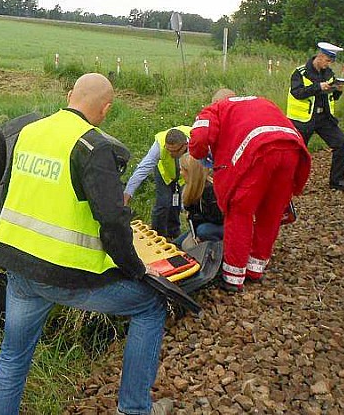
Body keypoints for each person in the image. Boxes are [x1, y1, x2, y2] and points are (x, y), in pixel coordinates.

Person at [0, 73, 169, 415]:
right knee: (150, 305)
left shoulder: (29, 132)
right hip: (64, 273)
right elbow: (113, 221)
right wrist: (137, 270)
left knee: (12, 356)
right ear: (106, 109)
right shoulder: (92, 146)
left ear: (70, 94)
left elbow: (12, 190)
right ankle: (134, 408)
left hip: (18, 264)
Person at [189, 89, 311, 292]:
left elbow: (200, 138)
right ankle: (255, 268)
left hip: (257, 154)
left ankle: (233, 277)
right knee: (270, 213)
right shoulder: (262, 101)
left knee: (239, 212)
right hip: (292, 150)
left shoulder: (217, 108)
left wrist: (200, 154)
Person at [286, 42, 344, 191]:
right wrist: (318, 87)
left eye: (331, 61)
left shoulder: (328, 73)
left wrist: (338, 89)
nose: (329, 64)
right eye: (328, 60)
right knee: (297, 152)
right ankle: (290, 183)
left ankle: (337, 181)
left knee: (342, 144)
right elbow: (297, 93)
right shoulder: (300, 73)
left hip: (324, 118)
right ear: (320, 56)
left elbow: (333, 97)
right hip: (303, 119)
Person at [123, 126, 191, 239]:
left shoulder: (196, 143)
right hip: (165, 173)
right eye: (168, 150)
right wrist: (127, 193)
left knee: (176, 204)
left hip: (184, 176)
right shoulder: (159, 147)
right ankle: (157, 235)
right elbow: (142, 169)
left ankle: (173, 233)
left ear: (185, 146)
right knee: (163, 203)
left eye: (174, 151)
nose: (170, 154)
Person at [173, 154, 223, 247]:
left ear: (190, 172)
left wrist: (195, 217)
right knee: (176, 245)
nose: (180, 173)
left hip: (220, 227)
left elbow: (219, 219)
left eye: (182, 170)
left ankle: (220, 248)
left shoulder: (211, 190)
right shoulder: (190, 189)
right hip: (202, 225)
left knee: (203, 231)